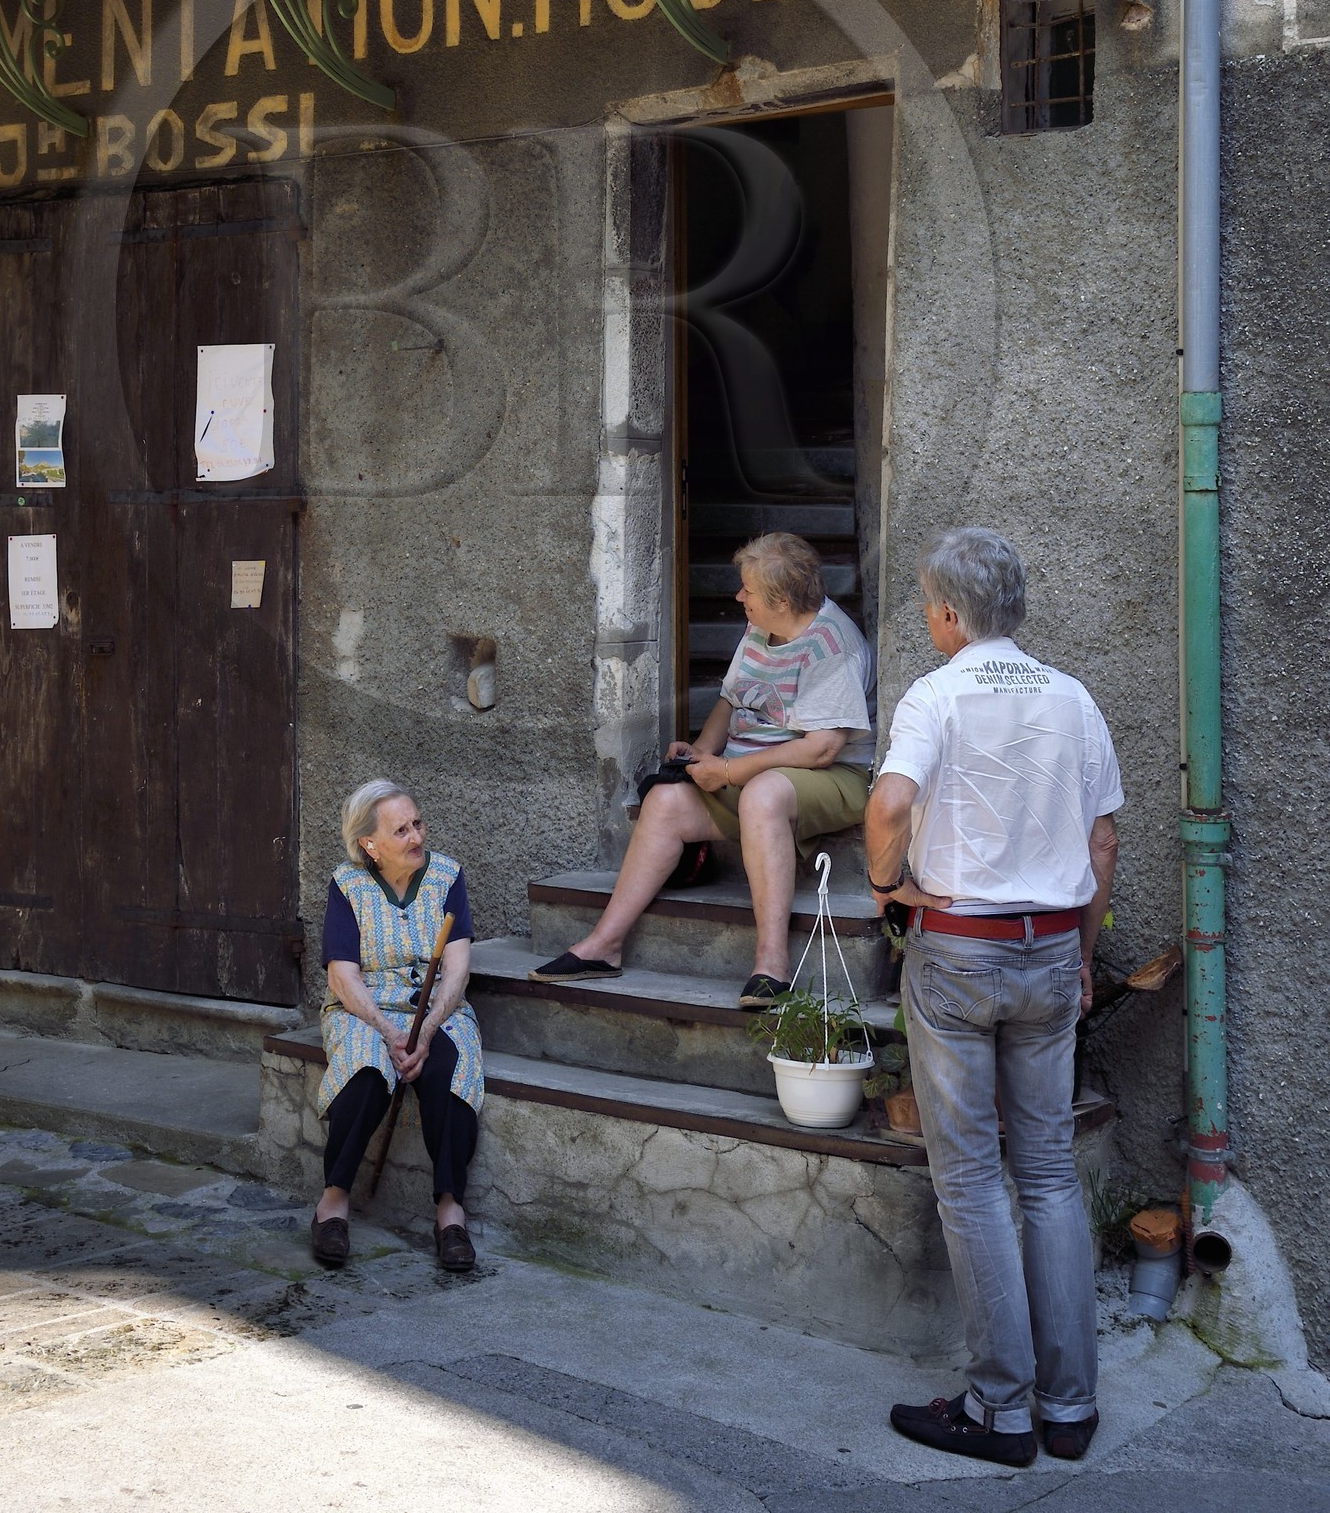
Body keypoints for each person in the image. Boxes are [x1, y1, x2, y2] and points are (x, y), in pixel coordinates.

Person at [863, 528, 1121, 1471]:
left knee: (971, 1179)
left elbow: (889, 805)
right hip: (1050, 950)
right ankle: (1070, 1408)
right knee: (1048, 1174)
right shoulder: (1072, 697)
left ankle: (1000, 1410)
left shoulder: (938, 694)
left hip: (961, 953)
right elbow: (1101, 848)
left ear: (945, 614)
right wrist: (1084, 957)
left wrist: (888, 885)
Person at [536, 532, 876, 1008]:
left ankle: (772, 964)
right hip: (756, 770)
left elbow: (820, 750)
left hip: (833, 777)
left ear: (779, 599)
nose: (739, 597)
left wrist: (731, 773)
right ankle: (604, 945)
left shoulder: (830, 645)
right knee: (665, 800)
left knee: (763, 795)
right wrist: (699, 755)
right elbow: (730, 700)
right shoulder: (762, 627)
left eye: (748, 591)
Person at [311, 780, 484, 1274]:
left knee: (449, 1072)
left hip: (438, 1009)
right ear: (369, 844)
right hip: (365, 1009)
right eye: (401, 830)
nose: (416, 837)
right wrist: (388, 1032)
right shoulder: (348, 885)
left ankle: (450, 1212)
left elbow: (457, 969)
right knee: (365, 1072)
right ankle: (333, 1202)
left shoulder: (447, 876)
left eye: (417, 824)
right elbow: (342, 975)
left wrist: (426, 1031)